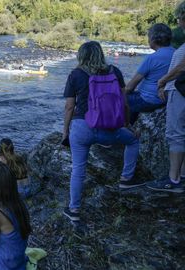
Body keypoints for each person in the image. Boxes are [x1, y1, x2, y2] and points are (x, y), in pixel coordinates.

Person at [62, 41, 142, 222]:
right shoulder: (115, 72)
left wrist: (65, 131)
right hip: (110, 128)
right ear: (101, 54)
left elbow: (69, 107)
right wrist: (128, 125)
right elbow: (125, 103)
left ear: (81, 55)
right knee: (133, 140)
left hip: (82, 129)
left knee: (78, 169)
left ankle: (74, 209)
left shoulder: (76, 74)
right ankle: (126, 179)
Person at [147, 1, 185, 193]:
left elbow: (183, 66)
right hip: (177, 90)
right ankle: (181, 176)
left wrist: (162, 81)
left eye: (180, 18)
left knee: (175, 134)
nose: (178, 22)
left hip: (180, 93)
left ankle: (174, 180)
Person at [124, 23, 175, 125]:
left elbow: (130, 87)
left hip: (150, 100)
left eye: (148, 37)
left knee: (120, 98)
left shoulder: (152, 58)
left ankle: (126, 129)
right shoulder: (177, 53)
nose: (148, 40)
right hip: (167, 98)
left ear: (154, 39)